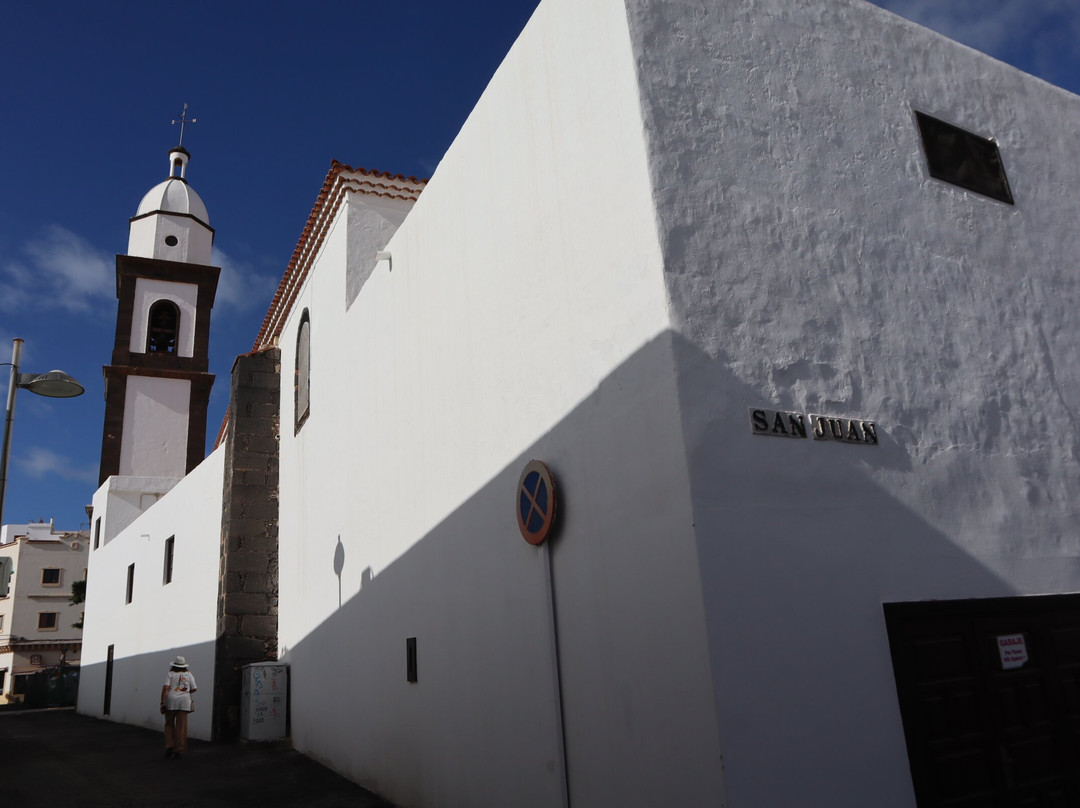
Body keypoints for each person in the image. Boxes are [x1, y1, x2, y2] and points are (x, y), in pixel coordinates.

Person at [160, 656, 197, 759]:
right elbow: (194, 688)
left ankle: (169, 747)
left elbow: (165, 688)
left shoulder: (170, 674)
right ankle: (179, 750)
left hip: (170, 701)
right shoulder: (189, 674)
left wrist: (162, 703)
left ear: (174, 665)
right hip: (184, 703)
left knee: (169, 725)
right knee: (181, 727)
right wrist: (185, 692)